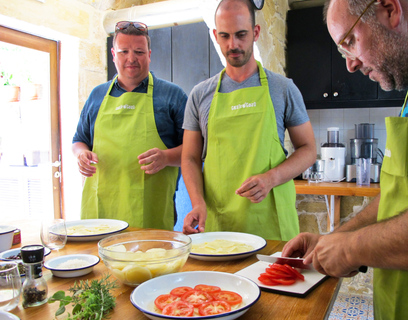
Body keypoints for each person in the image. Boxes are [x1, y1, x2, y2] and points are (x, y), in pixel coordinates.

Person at [283, 0, 408, 318]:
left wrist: (351, 248)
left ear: (389, 9)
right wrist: (333, 240)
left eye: (349, 42)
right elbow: (399, 198)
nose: (349, 65)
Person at [181, 0, 316, 241]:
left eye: (241, 35)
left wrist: (270, 179)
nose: (233, 44)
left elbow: (308, 150)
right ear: (215, 35)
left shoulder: (283, 89)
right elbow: (190, 157)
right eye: (224, 36)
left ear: (255, 33)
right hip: (221, 227)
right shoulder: (200, 94)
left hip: (272, 227)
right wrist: (197, 202)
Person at [73, 21, 188, 229]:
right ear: (113, 54)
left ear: (149, 54)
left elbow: (195, 151)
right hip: (100, 215)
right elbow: (79, 140)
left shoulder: (172, 96)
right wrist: (81, 154)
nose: (131, 58)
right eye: (124, 51)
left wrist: (166, 157)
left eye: (139, 52)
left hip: (151, 214)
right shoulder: (97, 95)